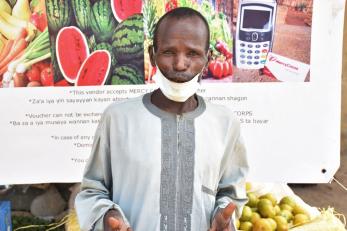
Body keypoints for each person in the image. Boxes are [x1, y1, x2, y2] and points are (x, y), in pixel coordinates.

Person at [75, 7, 249, 231]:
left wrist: (223, 218)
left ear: (208, 58)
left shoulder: (225, 123)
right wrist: (107, 216)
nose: (179, 64)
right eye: (168, 52)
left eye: (193, 54)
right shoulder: (117, 118)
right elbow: (92, 190)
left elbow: (230, 193)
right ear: (152, 55)